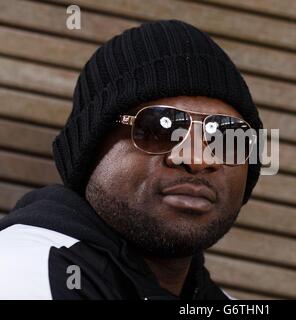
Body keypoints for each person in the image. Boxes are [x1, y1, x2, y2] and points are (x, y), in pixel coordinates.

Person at [0, 20, 263, 299]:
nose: (197, 158)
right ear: (90, 149)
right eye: (158, 128)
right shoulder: (27, 273)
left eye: (226, 135)